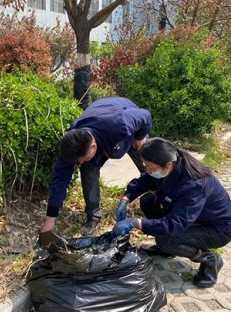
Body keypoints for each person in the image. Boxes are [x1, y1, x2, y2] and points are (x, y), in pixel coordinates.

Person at [112, 137, 231, 288]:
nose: (146, 169)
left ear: (167, 165)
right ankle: (166, 250)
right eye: (145, 164)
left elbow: (176, 223)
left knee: (167, 239)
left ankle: (209, 259)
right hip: (190, 217)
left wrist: (136, 223)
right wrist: (126, 198)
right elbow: (144, 181)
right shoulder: (169, 166)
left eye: (149, 166)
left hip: (216, 229)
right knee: (148, 201)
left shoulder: (194, 185)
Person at [40, 96, 152, 235]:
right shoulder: (72, 143)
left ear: (93, 146)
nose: (79, 163)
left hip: (127, 130)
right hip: (100, 126)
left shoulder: (120, 124)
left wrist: (140, 137)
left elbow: (145, 115)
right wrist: (50, 221)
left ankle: (160, 200)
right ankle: (93, 215)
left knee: (149, 163)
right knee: (88, 169)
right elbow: (59, 181)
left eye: (82, 159)